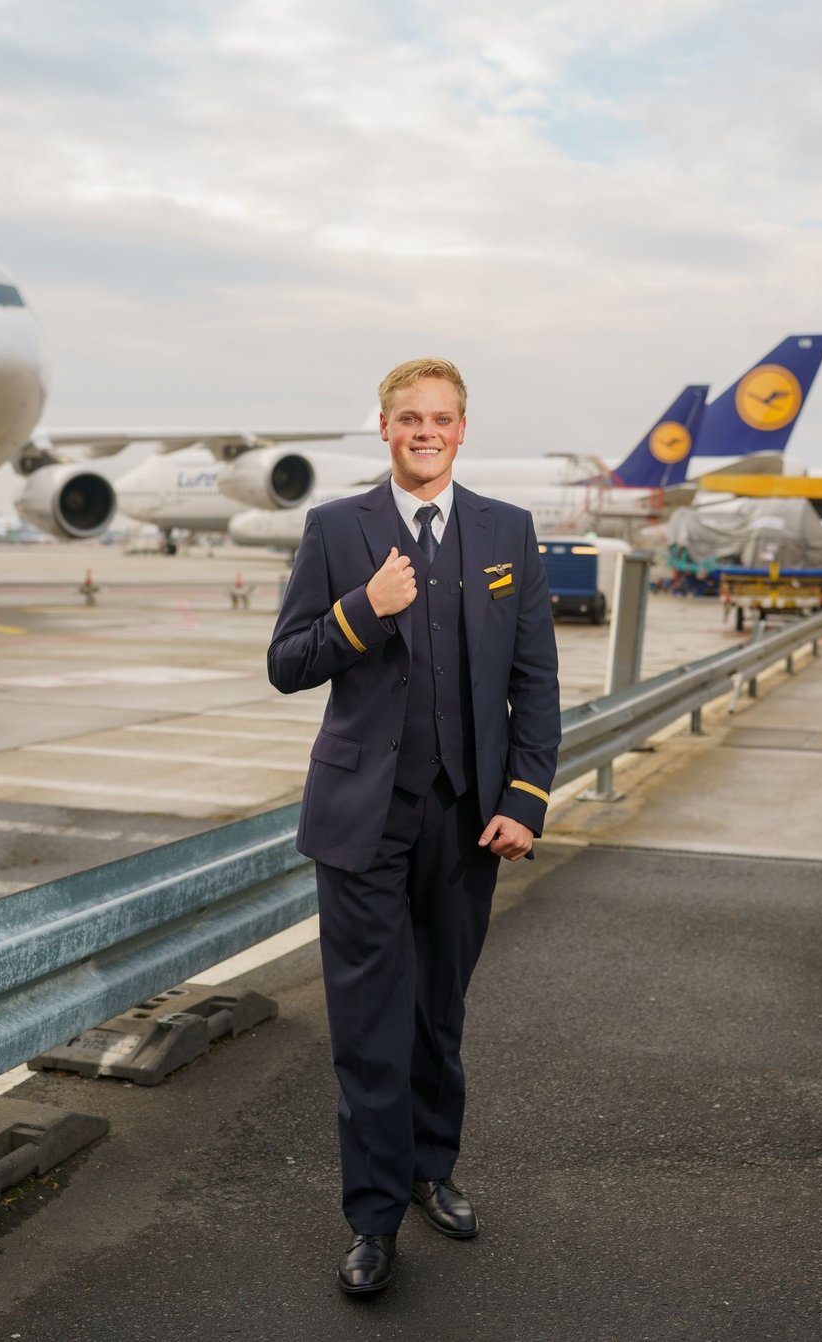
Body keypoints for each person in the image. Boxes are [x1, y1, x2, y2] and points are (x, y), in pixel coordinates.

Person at [267, 357, 561, 1295]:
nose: (425, 432)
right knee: (368, 1025)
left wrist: (525, 798)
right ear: (385, 428)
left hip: (468, 819)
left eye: (440, 419)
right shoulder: (335, 528)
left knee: (439, 1014)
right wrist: (363, 611)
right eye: (408, 418)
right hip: (361, 817)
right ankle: (373, 1217)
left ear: (462, 430)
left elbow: (535, 680)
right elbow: (286, 662)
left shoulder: (506, 530)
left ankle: (433, 1168)